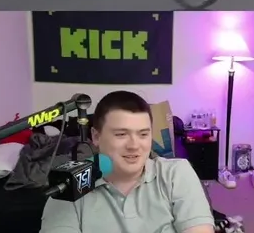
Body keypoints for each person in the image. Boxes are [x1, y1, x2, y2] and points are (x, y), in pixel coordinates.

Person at [40, 90, 215, 233]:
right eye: (121, 134)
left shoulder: (176, 173)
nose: (134, 145)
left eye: (143, 134)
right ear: (96, 136)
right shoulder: (68, 187)